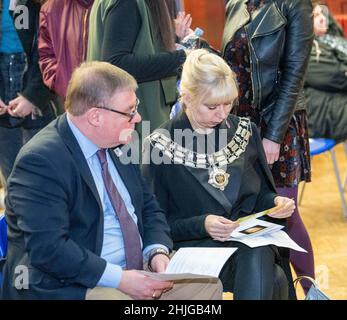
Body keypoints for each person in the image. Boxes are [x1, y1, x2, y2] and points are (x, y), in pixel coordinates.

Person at [0, 61, 222, 300]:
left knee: (208, 288)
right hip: (73, 282)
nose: (138, 118)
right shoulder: (41, 161)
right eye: (129, 111)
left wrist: (156, 251)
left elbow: (148, 207)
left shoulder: (118, 143)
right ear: (96, 116)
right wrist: (120, 279)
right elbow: (50, 249)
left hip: (134, 271)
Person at [142, 49, 296, 300]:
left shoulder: (245, 131)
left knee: (262, 258)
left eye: (228, 104)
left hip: (244, 248)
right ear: (187, 97)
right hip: (193, 249)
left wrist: (274, 204)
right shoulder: (159, 144)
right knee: (273, 276)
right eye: (212, 106)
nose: (223, 114)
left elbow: (261, 196)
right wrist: (202, 224)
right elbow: (153, 224)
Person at [221, 0, 315, 294]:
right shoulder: (235, 4)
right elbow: (233, 65)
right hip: (241, 125)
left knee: (285, 213)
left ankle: (311, 289)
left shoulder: (294, 5)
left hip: (279, 124)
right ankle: (274, 286)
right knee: (252, 210)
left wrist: (273, 136)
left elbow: (293, 77)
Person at [87, 0, 188, 133]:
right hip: (133, 121)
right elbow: (117, 65)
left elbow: (137, 47)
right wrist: (182, 57)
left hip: (128, 116)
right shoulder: (127, 3)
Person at [0, 0, 57, 186]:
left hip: (40, 101)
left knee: (43, 179)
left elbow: (54, 53)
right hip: (3, 108)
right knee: (13, 180)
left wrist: (33, 96)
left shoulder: (45, 5)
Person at [305, 2, 347, 143]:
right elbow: (336, 77)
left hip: (336, 100)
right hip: (321, 112)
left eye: (323, 14)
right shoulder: (306, 49)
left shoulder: (331, 39)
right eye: (316, 16)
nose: (323, 18)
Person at [38, 0, 94, 100]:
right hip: (70, 101)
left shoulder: (114, 4)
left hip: (113, 101)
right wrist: (61, 83)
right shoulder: (51, 9)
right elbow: (46, 54)